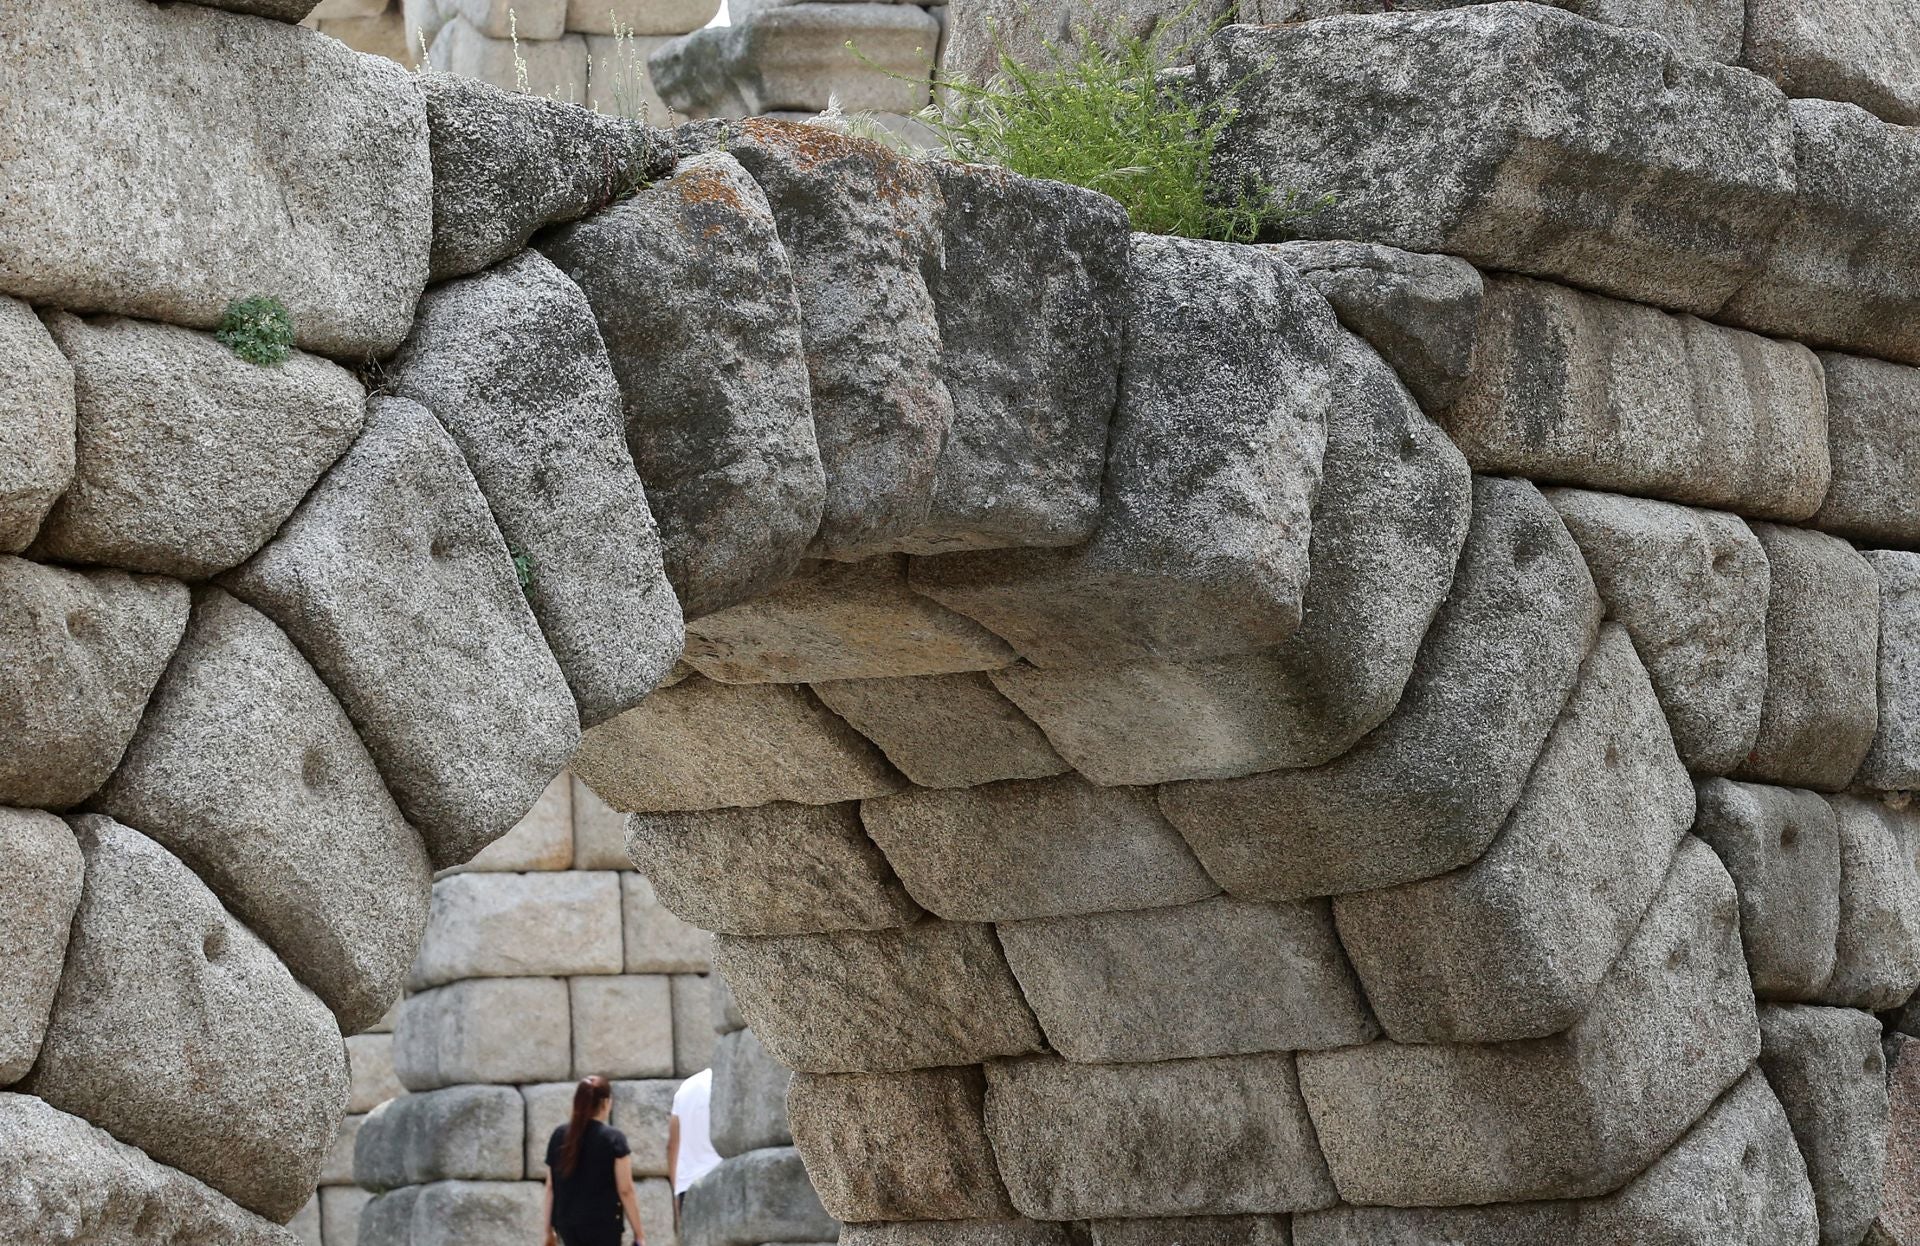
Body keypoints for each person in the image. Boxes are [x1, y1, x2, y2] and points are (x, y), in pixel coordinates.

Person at [543, 1076, 646, 1246]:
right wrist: (639, 1234)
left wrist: (547, 1231)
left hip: (568, 1225)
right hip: (603, 1226)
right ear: (605, 1103)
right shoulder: (613, 1139)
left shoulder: (559, 1136)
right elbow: (626, 1190)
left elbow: (550, 1187)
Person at [668, 1067, 722, 1219]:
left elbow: (673, 1144)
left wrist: (677, 1190)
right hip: (722, 1179)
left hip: (688, 1187)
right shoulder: (727, 1082)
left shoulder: (686, 1086)